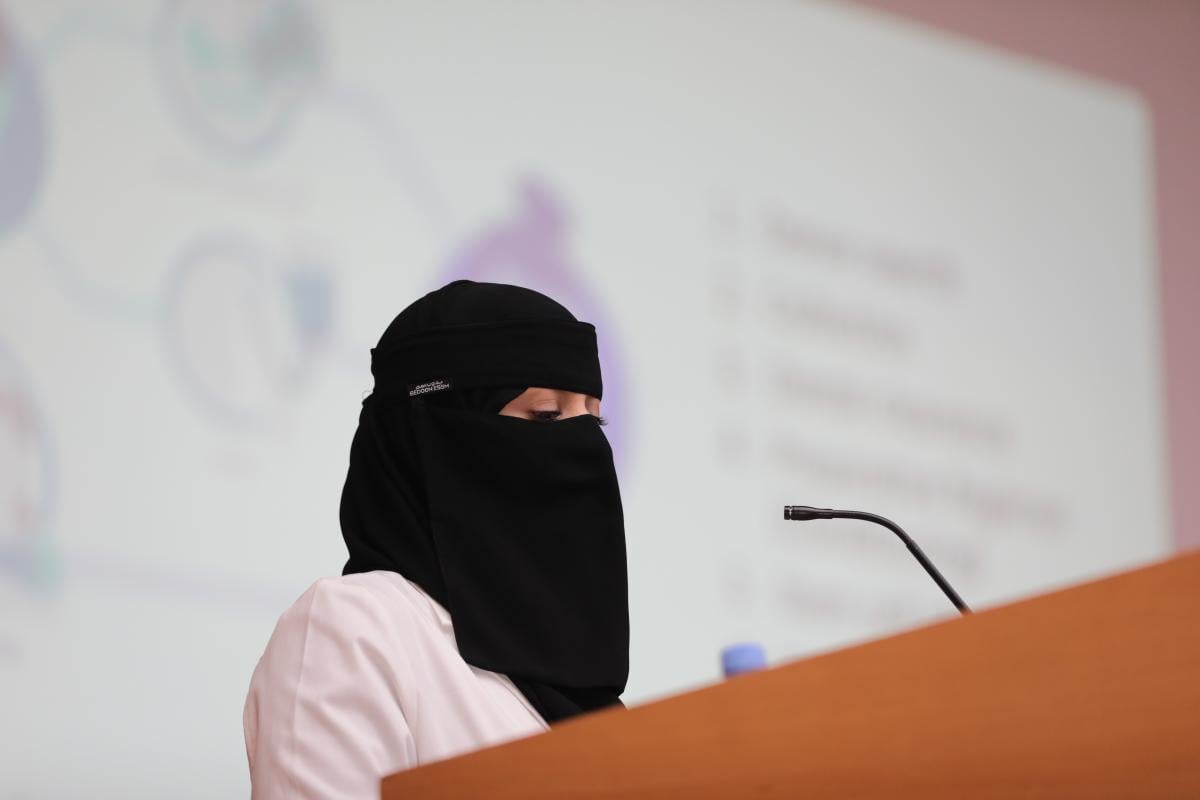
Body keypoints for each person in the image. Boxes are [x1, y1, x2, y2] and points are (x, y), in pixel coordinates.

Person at [242, 279, 629, 799]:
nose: (585, 445)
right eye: (546, 414)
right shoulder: (354, 631)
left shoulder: (583, 702)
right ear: (444, 437)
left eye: (594, 419)